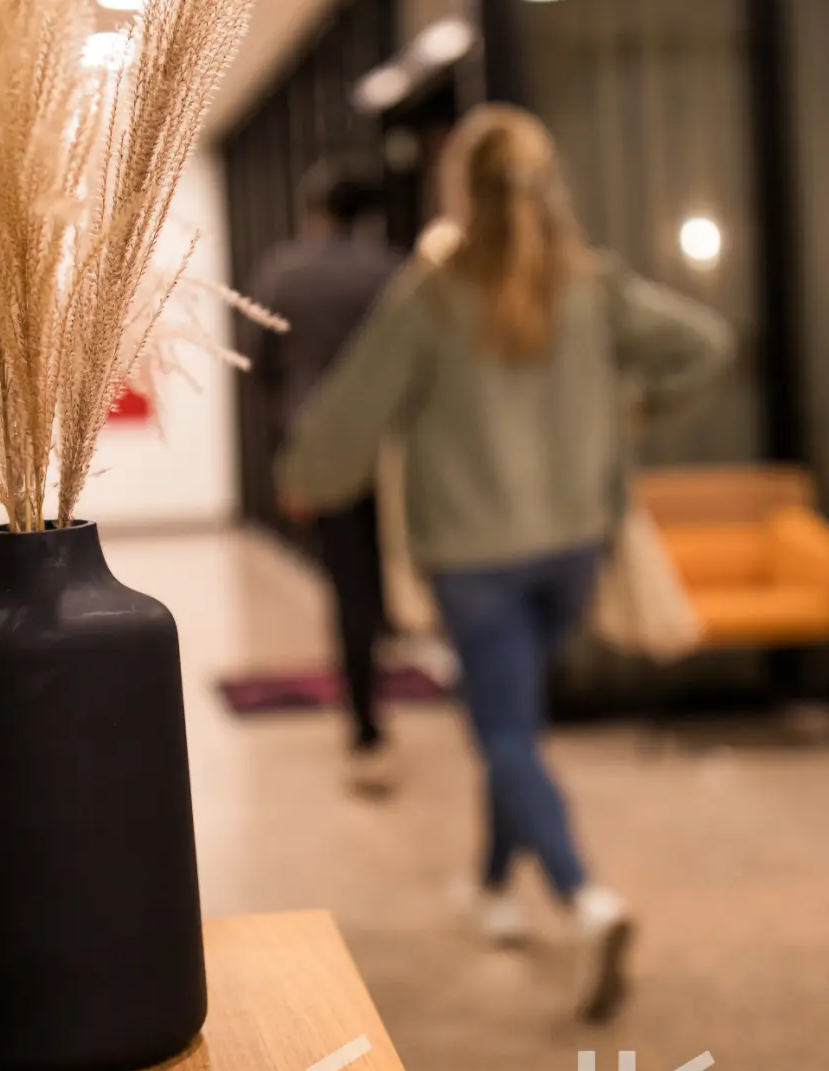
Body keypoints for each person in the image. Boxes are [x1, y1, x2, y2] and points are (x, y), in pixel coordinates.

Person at [277, 105, 732, 1022]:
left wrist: (307, 479)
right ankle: (491, 888)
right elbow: (705, 345)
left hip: (475, 559)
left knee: (504, 734)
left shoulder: (432, 296)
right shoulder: (590, 285)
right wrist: (627, 416)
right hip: (570, 548)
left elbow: (350, 416)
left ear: (459, 192)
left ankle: (585, 901)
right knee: (511, 722)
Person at [250, 159, 401, 797]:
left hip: (316, 447)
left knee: (348, 585)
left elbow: (258, 364)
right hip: (385, 445)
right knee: (388, 573)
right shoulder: (391, 273)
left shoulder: (283, 273)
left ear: (314, 209)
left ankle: (365, 721)